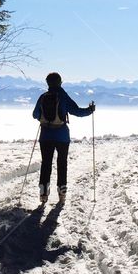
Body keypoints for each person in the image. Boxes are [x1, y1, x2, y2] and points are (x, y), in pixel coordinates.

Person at [32, 72, 95, 204]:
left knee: (46, 164)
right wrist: (90, 110)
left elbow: (35, 114)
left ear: (47, 83)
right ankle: (62, 193)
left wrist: (45, 121)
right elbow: (76, 111)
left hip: (45, 136)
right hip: (62, 137)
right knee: (62, 164)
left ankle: (43, 192)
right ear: (60, 82)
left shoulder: (43, 97)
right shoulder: (63, 96)